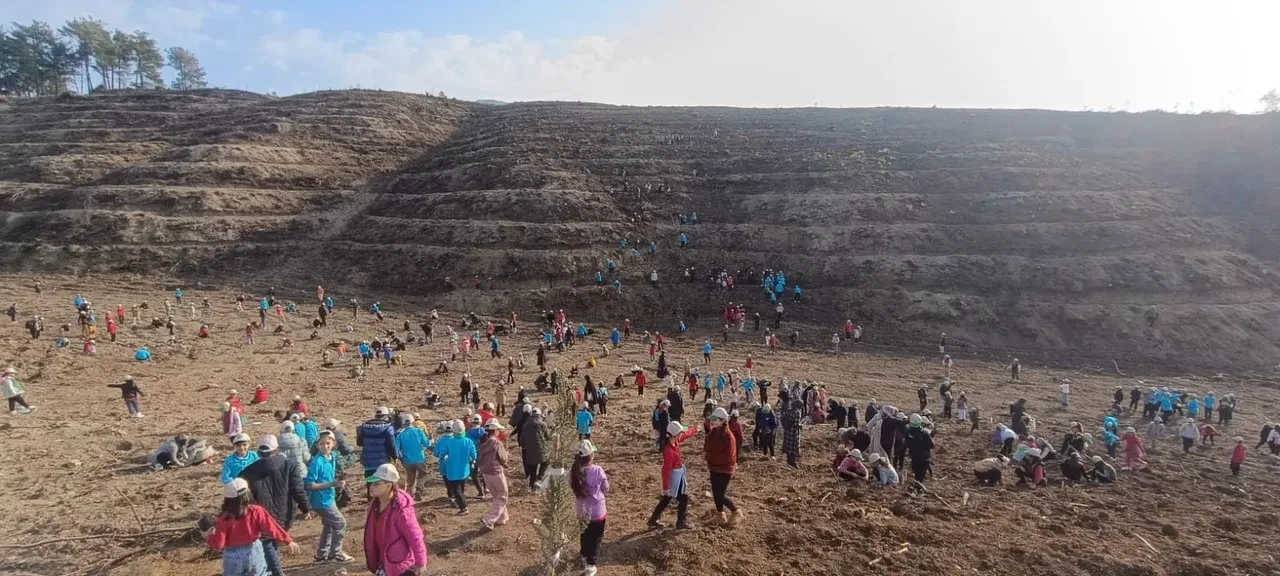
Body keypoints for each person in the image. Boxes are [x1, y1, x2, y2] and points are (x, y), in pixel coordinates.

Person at [239, 434, 310, 576]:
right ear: (276, 449)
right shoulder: (289, 465)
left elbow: (245, 498)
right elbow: (297, 489)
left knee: (267, 543)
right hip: (285, 513)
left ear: (259, 452)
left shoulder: (247, 472)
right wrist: (305, 508)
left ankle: (276, 572)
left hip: (261, 516)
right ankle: (273, 570)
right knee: (271, 543)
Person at [204, 478, 299, 576]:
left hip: (232, 555)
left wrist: (208, 536)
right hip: (254, 550)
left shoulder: (223, 518)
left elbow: (219, 544)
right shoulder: (256, 511)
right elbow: (272, 527)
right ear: (247, 493)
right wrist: (288, 540)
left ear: (227, 498)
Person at [363, 463, 429, 576]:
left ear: (389, 485)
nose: (371, 487)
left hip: (400, 565)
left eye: (376, 484)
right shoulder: (374, 506)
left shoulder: (401, 510)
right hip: (383, 560)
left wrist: (421, 562)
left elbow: (415, 536)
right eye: (371, 483)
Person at [306, 431, 353, 563]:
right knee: (340, 523)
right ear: (317, 445)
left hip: (328, 497)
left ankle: (322, 554)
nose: (325, 446)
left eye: (328, 443)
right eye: (321, 444)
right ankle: (336, 553)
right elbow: (310, 485)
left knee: (329, 525)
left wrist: (339, 481)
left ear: (334, 444)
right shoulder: (317, 462)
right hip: (321, 500)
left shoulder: (332, 456)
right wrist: (332, 484)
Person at [648, 420, 700, 529]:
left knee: (669, 498)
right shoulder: (669, 450)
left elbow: (685, 433)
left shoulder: (674, 441)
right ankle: (681, 522)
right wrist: (665, 487)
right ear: (675, 434)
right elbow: (666, 470)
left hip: (678, 474)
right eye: (680, 432)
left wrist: (695, 429)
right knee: (682, 497)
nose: (682, 433)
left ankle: (654, 519)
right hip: (674, 476)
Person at [571, 440, 609, 576]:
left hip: (581, 511)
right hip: (597, 513)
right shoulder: (597, 470)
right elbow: (605, 487)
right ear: (591, 456)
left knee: (584, 534)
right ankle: (590, 565)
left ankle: (583, 555)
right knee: (596, 538)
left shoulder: (574, 472)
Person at [704, 408, 742, 525]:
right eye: (712, 419)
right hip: (714, 467)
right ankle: (720, 514)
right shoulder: (713, 432)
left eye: (715, 420)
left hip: (725, 469)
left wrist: (713, 458)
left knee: (720, 493)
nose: (712, 422)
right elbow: (707, 447)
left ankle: (736, 511)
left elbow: (729, 456)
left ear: (722, 421)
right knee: (715, 492)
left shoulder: (728, 436)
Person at [435, 420, 478, 514]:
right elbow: (474, 455)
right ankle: (461, 501)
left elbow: (442, 454)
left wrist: (444, 457)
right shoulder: (468, 442)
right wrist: (471, 459)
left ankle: (464, 507)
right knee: (461, 488)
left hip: (452, 471)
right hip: (464, 470)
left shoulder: (449, 442)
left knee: (456, 489)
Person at [477, 419, 510, 530]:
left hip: (485, 473)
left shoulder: (482, 442)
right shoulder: (496, 443)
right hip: (496, 472)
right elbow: (503, 458)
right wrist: (506, 461)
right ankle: (488, 520)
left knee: (497, 496)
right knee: (502, 496)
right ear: (495, 430)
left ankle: (502, 518)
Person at [356, 407, 398, 490]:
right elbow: (392, 444)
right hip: (382, 462)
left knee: (370, 485)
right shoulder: (388, 427)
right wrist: (395, 456)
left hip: (368, 462)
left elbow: (359, 443)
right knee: (382, 486)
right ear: (386, 416)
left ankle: (371, 501)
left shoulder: (364, 426)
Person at [395, 413, 432, 499]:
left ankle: (410, 496)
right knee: (423, 475)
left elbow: (396, 449)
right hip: (419, 458)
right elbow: (426, 443)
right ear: (412, 421)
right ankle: (419, 488)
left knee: (410, 479)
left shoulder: (400, 434)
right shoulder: (418, 431)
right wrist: (431, 441)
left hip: (407, 461)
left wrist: (400, 458)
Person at [519, 408, 550, 491]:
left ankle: (532, 487)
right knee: (546, 461)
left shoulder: (525, 425)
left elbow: (522, 440)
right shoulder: (542, 423)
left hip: (529, 451)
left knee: (532, 468)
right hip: (541, 449)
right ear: (539, 415)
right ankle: (539, 478)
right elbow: (548, 436)